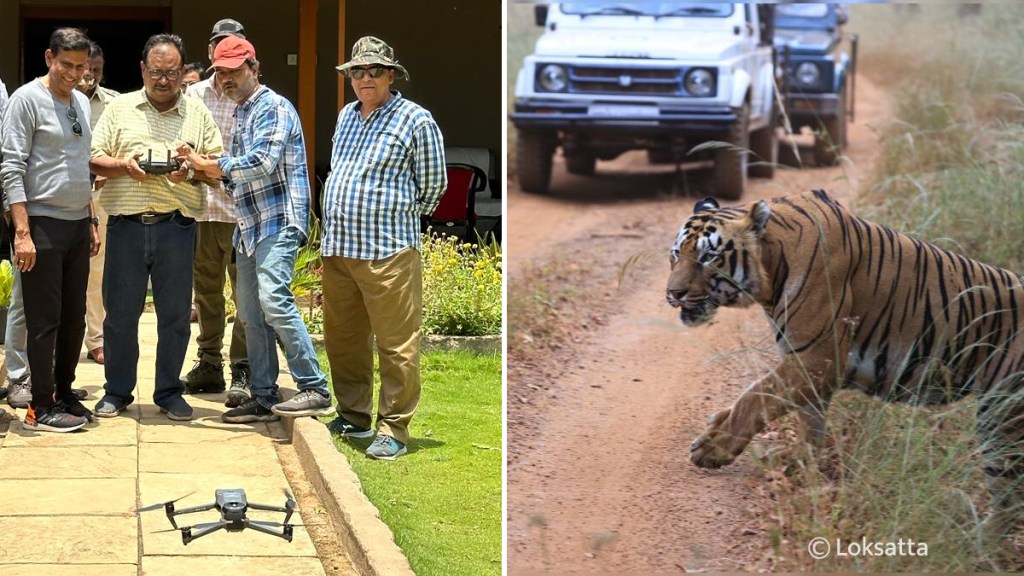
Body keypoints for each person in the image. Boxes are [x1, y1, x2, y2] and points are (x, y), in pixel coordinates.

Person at [178, 35, 332, 424]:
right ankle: (263, 395)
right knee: (249, 312)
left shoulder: (273, 107)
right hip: (249, 224)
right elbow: (238, 179)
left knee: (274, 299)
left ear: (254, 68)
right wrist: (197, 173)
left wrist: (211, 164)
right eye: (221, 72)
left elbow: (261, 163)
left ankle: (313, 387)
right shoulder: (242, 111)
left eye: (234, 71)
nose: (227, 79)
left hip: (278, 221)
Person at [321, 36, 447, 460]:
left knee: (396, 344)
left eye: (374, 70)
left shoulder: (416, 120)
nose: (364, 78)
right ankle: (353, 416)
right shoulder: (346, 116)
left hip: (388, 250)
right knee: (344, 339)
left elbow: (433, 186)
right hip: (339, 249)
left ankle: (393, 427)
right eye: (357, 71)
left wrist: (397, 218)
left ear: (391, 75)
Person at [89, 33, 223, 421]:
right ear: (142, 69)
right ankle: (117, 390)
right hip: (127, 226)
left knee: (176, 315)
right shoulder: (120, 109)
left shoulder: (198, 114)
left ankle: (168, 391)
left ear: (183, 73)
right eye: (155, 72)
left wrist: (190, 168)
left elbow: (216, 169)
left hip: (176, 228)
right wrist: (125, 165)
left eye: (171, 73)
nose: (163, 80)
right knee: (119, 316)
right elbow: (95, 159)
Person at [0, 28, 100, 432]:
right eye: (66, 65)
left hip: (76, 223)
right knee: (44, 320)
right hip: (40, 224)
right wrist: (21, 232)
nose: (74, 74)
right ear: (48, 58)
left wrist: (90, 219)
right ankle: (40, 405)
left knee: (74, 317)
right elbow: (11, 167)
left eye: (81, 67)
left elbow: (82, 165)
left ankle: (63, 391)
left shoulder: (78, 101)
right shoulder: (26, 100)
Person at [182, 18, 250, 408]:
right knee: (206, 294)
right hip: (204, 211)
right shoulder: (194, 95)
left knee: (245, 298)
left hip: (243, 214)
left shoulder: (254, 96)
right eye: (219, 44)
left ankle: (242, 368)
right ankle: (209, 362)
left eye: (233, 44)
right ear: (210, 52)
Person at [77, 40, 120, 365]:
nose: (90, 75)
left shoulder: (114, 103)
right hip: (63, 194)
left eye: (97, 69)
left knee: (97, 269)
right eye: (86, 68)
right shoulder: (52, 99)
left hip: (101, 193)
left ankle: (97, 338)